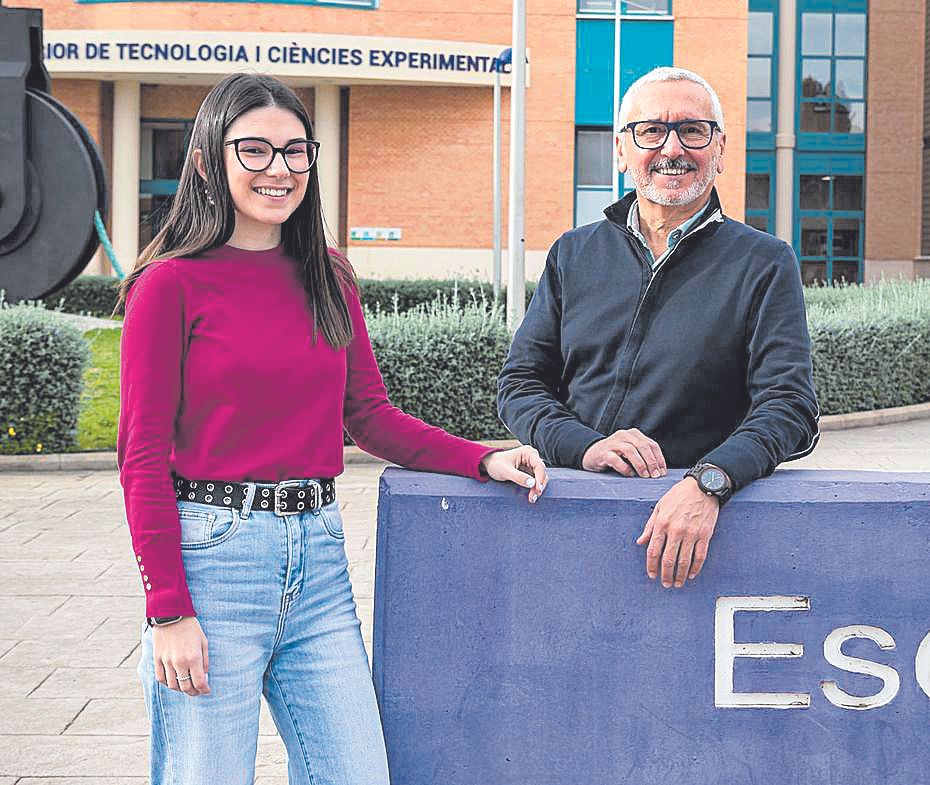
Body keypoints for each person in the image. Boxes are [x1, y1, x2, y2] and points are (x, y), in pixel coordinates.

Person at [116, 72, 547, 785]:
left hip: (316, 560)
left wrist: (482, 458)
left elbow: (369, 416)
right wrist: (168, 609)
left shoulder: (329, 275)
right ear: (206, 161)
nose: (278, 169)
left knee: (354, 771)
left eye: (294, 150)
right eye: (252, 150)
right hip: (213, 558)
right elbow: (141, 459)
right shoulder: (170, 285)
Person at [497, 66, 818, 591]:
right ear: (622, 150)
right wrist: (585, 446)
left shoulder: (764, 263)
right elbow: (520, 385)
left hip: (692, 532)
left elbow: (790, 406)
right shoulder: (573, 253)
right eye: (651, 131)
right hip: (569, 517)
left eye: (693, 130)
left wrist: (711, 482)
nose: (672, 147)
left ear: (719, 151)